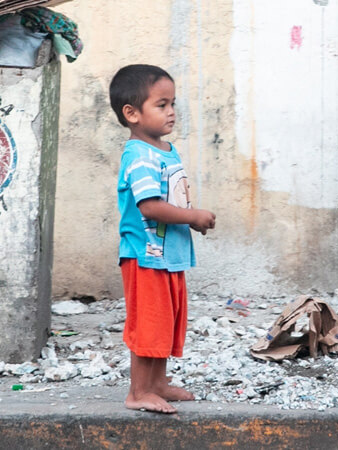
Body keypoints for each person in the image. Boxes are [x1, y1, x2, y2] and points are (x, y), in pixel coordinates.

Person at [109, 64, 216, 414]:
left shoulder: (165, 150)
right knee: (149, 324)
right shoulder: (138, 156)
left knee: (166, 322)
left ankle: (157, 384)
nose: (171, 112)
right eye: (161, 104)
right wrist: (193, 216)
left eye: (173, 103)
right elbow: (151, 206)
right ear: (132, 114)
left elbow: (171, 200)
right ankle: (138, 392)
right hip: (145, 255)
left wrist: (190, 222)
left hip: (168, 253)